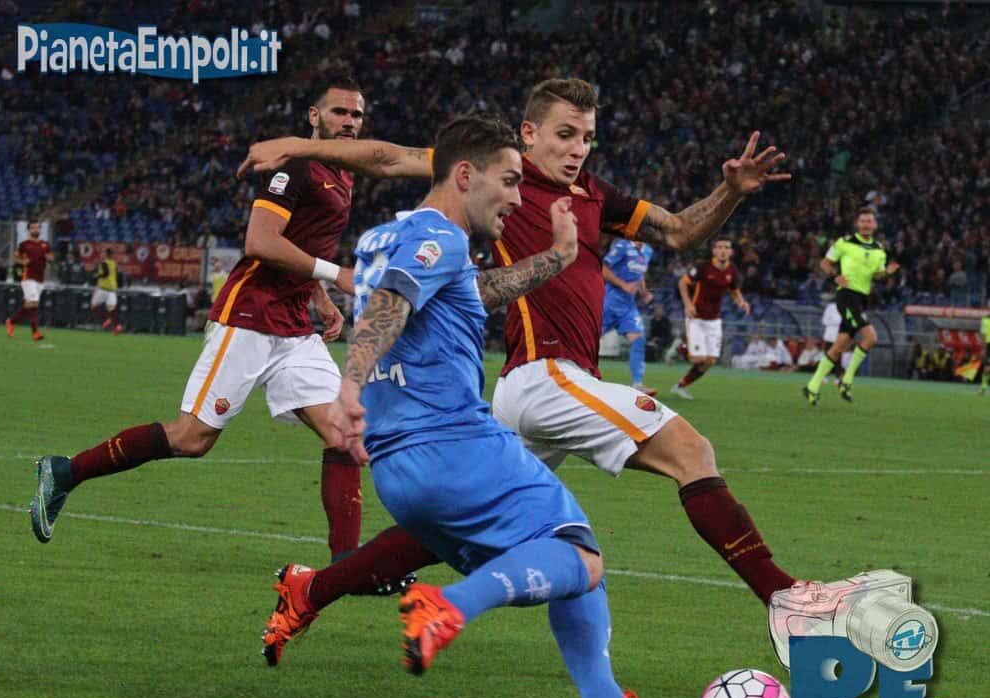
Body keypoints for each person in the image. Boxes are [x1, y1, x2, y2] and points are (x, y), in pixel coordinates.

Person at [238, 77, 836, 664]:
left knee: (443, 530)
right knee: (691, 451)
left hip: (528, 395)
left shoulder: (596, 196)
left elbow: (678, 231)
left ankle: (310, 589)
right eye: (565, 134)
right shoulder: (503, 176)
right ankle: (783, 596)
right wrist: (295, 147)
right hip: (546, 375)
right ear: (529, 134)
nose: (577, 149)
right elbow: (388, 158)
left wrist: (731, 191)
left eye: (587, 138)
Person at [266, 115, 663, 698]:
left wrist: (558, 257)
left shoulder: (386, 236)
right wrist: (348, 385)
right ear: (465, 174)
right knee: (579, 556)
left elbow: (471, 292)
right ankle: (448, 606)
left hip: (398, 471)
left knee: (557, 546)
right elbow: (393, 302)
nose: (517, 197)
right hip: (455, 445)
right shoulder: (439, 238)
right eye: (509, 180)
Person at [28, 74, 366, 562]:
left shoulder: (344, 174)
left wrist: (318, 294)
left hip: (294, 325)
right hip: (249, 315)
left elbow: (302, 241)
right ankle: (65, 472)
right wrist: (337, 275)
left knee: (346, 434)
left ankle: (346, 568)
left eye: (357, 114)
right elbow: (261, 241)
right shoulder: (296, 167)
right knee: (191, 438)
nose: (350, 122)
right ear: (315, 117)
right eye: (340, 112)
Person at [803, 208, 900, 404]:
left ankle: (812, 387)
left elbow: (877, 275)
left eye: (869, 221)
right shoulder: (844, 242)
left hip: (862, 299)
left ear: (875, 225)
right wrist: (835, 277)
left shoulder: (879, 250)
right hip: (847, 296)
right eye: (863, 221)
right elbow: (825, 263)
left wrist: (887, 273)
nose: (866, 224)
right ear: (857, 224)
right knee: (871, 337)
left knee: (838, 347)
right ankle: (846, 380)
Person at [671, 237, 750, 399]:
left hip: (714, 320)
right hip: (697, 318)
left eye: (726, 247)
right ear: (714, 251)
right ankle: (681, 348)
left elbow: (734, 290)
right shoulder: (703, 267)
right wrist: (687, 305)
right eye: (719, 247)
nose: (723, 250)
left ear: (731, 252)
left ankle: (681, 386)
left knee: (710, 361)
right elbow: (683, 283)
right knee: (698, 359)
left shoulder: (732, 271)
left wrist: (742, 302)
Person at [601, 238, 658, 395]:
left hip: (628, 307)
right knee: (589, 339)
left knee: (639, 339)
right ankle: (575, 374)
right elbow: (604, 269)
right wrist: (623, 285)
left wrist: (644, 293)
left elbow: (640, 276)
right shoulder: (622, 245)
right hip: (609, 303)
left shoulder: (647, 250)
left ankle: (637, 384)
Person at [5, 220, 53, 341]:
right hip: (28, 278)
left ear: (40, 229)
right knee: (33, 303)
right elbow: (16, 257)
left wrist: (49, 258)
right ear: (29, 230)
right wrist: (22, 262)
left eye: (37, 227)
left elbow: (51, 257)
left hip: (40, 279)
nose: (36, 230)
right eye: (33, 228)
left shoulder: (45, 244)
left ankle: (11, 322)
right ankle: (35, 332)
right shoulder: (24, 244)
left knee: (30, 305)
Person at [90, 247, 122, 334]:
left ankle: (106, 320)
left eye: (103, 252)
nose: (102, 254)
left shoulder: (104, 263)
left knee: (93, 306)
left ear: (106, 254)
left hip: (103, 288)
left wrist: (97, 275)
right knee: (111, 309)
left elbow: (105, 274)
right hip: (112, 290)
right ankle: (118, 326)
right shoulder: (114, 263)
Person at [981, 300, 990, 395]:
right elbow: (983, 335)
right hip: (989, 345)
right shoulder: (985, 320)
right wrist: (983, 348)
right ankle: (984, 387)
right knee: (987, 367)